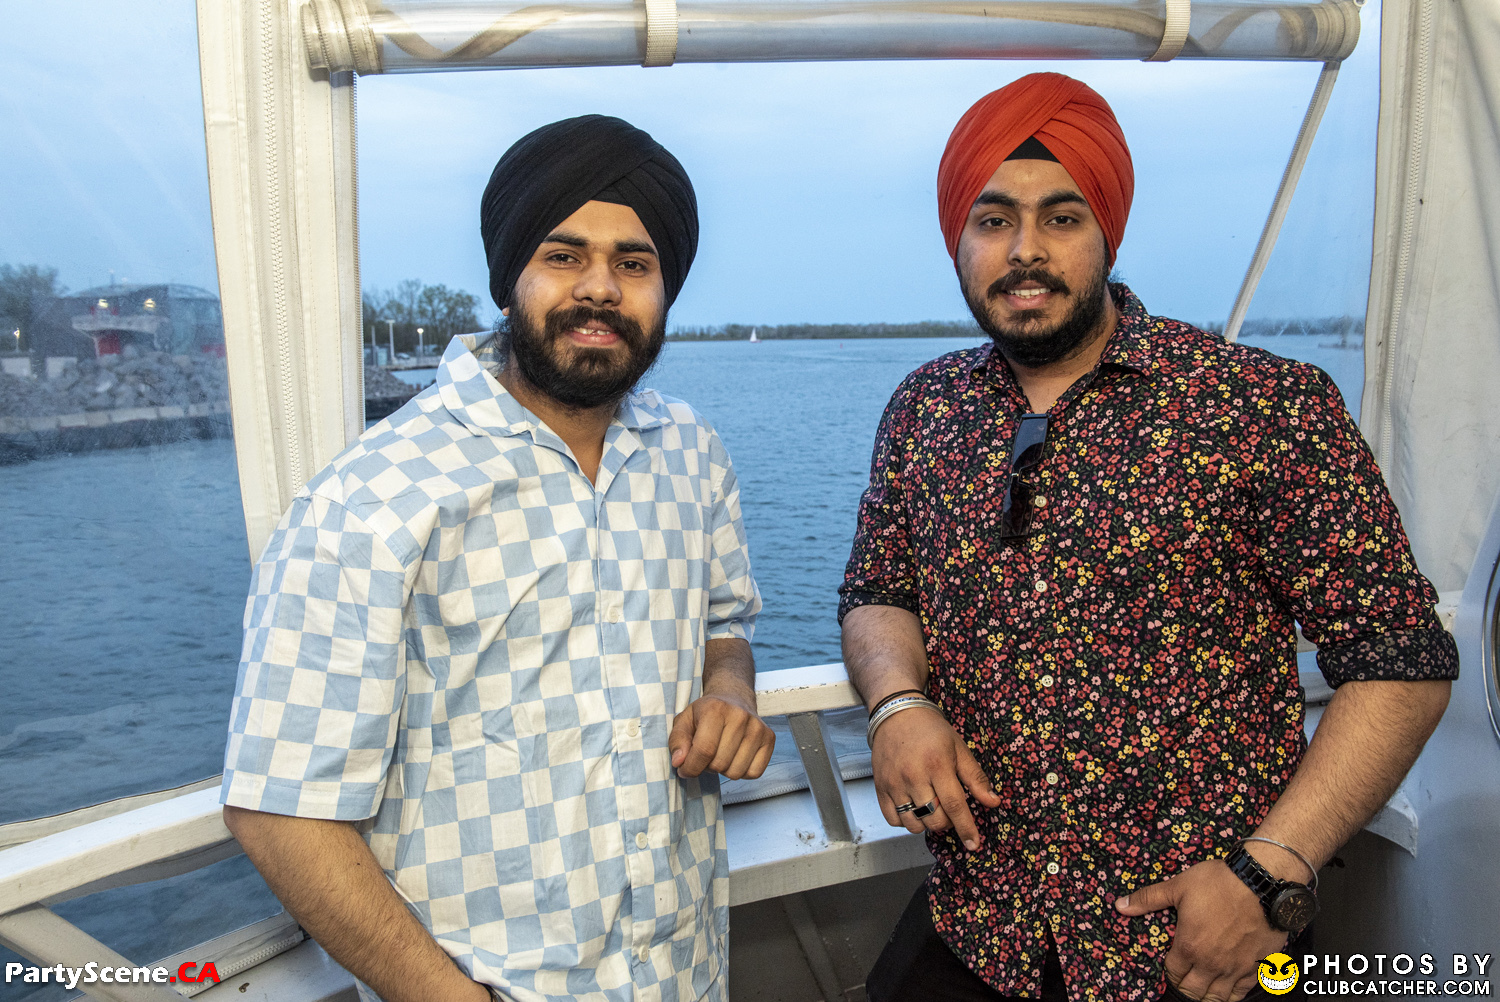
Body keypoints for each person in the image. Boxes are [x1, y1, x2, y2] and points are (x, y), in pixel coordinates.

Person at [839, 73, 1457, 1002]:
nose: (1025, 250)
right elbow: (876, 590)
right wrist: (896, 703)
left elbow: (1401, 658)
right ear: (957, 240)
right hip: (984, 926)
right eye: (994, 220)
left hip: (1202, 945)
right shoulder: (924, 410)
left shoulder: (1259, 404)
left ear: (1108, 231)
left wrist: (1271, 872)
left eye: (1061, 218)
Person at [220, 114, 774, 1002]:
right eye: (564, 256)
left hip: (687, 973)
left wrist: (729, 692)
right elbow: (279, 810)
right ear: (509, 280)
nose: (600, 289)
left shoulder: (691, 452)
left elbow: (724, 621)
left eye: (634, 264)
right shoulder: (371, 500)